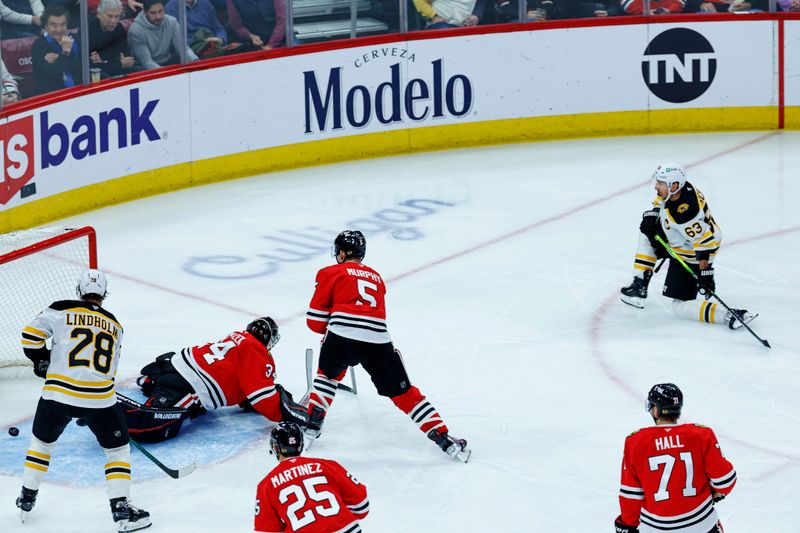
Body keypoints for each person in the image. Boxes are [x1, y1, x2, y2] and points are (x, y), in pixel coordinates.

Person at [304, 230, 471, 462]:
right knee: (404, 393)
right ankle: (443, 437)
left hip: (341, 335)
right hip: (378, 341)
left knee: (327, 376)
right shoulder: (376, 277)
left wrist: (332, 333)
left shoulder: (330, 272)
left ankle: (312, 424)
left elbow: (314, 322)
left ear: (341, 253)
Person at [15, 269, 151, 532]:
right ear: (104, 295)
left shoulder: (61, 309)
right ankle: (121, 508)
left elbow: (29, 337)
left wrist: (42, 360)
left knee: (42, 445)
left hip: (57, 394)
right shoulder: (115, 325)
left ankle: (27, 497)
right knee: (117, 451)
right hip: (100, 399)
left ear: (79, 291)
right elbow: (110, 370)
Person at [620, 162, 757, 330]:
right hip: (681, 239)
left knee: (681, 307)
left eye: (661, 183)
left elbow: (704, 242)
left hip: (691, 253)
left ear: (675, 185)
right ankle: (639, 286)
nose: (656, 186)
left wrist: (704, 273)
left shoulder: (685, 214)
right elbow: (662, 198)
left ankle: (727, 315)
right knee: (646, 232)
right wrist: (655, 211)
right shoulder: (681, 189)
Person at [127, 317, 308, 442]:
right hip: (189, 386)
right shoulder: (257, 352)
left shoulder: (237, 337)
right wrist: (295, 414)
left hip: (175, 363)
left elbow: (243, 387)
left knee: (167, 382)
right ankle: (112, 414)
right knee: (152, 425)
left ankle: (152, 381)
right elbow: (264, 400)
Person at [614, 383, 737, 533]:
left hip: (655, 529)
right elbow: (725, 481)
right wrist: (714, 491)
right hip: (701, 525)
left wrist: (627, 525)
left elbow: (631, 495)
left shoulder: (635, 441)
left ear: (655, 410)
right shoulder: (701, 435)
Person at [254, 422, 369, 533]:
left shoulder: (266, 485)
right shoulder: (327, 466)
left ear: (275, 447)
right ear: (301, 444)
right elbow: (362, 507)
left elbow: (266, 529)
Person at [127, 0, 198, 70]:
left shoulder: (172, 21)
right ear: (145, 12)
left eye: (160, 11)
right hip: (145, 69)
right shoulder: (135, 31)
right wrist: (168, 74)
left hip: (168, 62)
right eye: (153, 13)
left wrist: (196, 61)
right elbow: (147, 62)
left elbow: (183, 49)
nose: (158, 16)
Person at [31, 4, 82, 95]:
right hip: (53, 98)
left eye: (63, 25)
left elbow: (82, 69)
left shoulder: (75, 40)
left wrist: (59, 58)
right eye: (54, 25)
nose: (59, 30)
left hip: (79, 92)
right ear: (45, 26)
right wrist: (65, 52)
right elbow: (51, 75)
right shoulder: (38, 46)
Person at [86, 0, 141, 79]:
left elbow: (128, 59)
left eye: (117, 16)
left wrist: (105, 62)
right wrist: (119, 63)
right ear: (99, 14)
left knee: (142, 71)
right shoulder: (88, 30)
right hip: (98, 76)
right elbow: (93, 66)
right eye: (110, 16)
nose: (113, 21)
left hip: (118, 70)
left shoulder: (119, 28)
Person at [412, 0, 485, 28]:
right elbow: (419, 1)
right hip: (442, 24)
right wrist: (433, 16)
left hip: (468, 26)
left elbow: (481, 2)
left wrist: (476, 16)